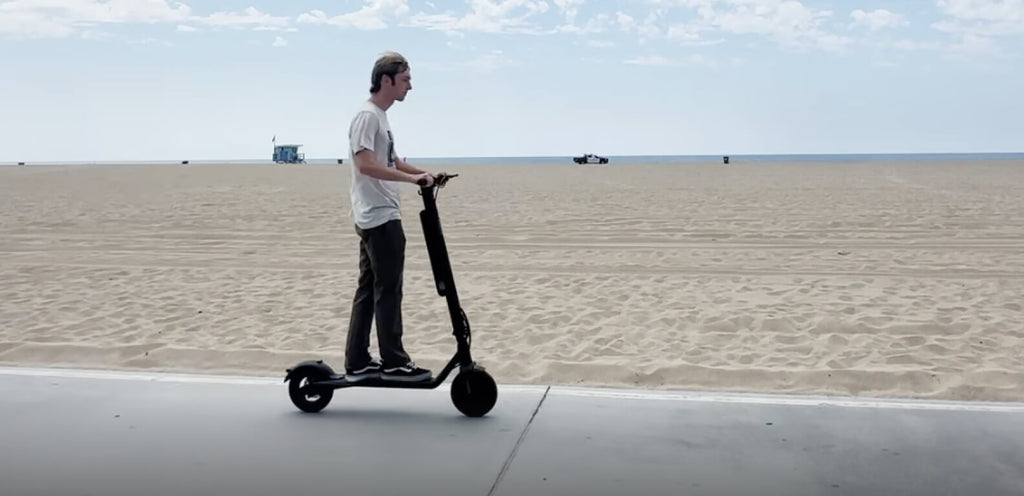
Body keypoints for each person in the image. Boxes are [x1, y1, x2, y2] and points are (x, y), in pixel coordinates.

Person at [343, 51, 435, 383]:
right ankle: (394, 360)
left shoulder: (380, 116)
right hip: (379, 218)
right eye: (406, 79)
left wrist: (425, 174)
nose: (410, 86)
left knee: (369, 289)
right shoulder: (368, 116)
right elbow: (365, 164)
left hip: (374, 215)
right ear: (386, 80)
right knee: (388, 289)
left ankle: (356, 360)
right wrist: (411, 181)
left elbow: (391, 161)